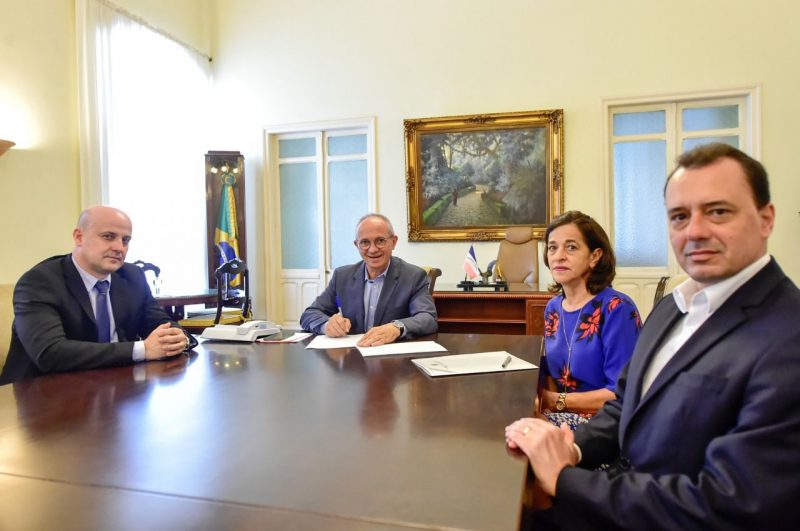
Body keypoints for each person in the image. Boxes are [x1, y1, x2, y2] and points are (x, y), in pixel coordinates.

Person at [505, 143, 800, 530]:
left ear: (766, 219)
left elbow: (734, 503)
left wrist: (565, 480)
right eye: (679, 216)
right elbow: (624, 405)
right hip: (619, 493)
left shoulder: (788, 334)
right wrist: (572, 449)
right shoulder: (671, 308)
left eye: (718, 211)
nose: (695, 231)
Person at [1, 206, 196, 385]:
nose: (119, 247)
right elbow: (50, 354)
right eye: (108, 237)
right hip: (38, 393)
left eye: (125, 240)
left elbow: (163, 326)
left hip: (114, 387)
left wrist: (180, 340)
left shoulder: (132, 276)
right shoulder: (40, 281)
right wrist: (143, 349)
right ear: (79, 237)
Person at [539, 211, 641, 430]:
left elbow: (621, 393)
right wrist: (546, 410)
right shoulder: (553, 308)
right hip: (560, 415)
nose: (558, 256)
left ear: (595, 256)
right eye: (552, 247)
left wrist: (555, 402)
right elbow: (549, 375)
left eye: (571, 247)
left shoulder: (617, 308)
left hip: (605, 423)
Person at [300, 213, 437, 347]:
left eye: (380, 241)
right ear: (357, 245)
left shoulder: (413, 276)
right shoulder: (342, 276)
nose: (372, 249)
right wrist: (326, 325)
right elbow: (310, 314)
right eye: (365, 242)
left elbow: (428, 318)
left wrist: (397, 327)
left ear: (394, 242)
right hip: (353, 355)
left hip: (392, 356)